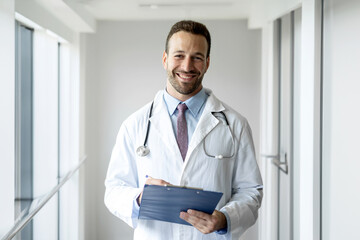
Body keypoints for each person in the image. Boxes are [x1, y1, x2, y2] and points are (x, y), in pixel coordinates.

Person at [104, 20, 263, 240]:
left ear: (207, 63)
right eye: (179, 55)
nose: (187, 66)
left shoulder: (235, 124)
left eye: (197, 57)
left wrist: (225, 218)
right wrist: (140, 198)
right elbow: (114, 190)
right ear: (165, 59)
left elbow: (251, 192)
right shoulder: (135, 125)